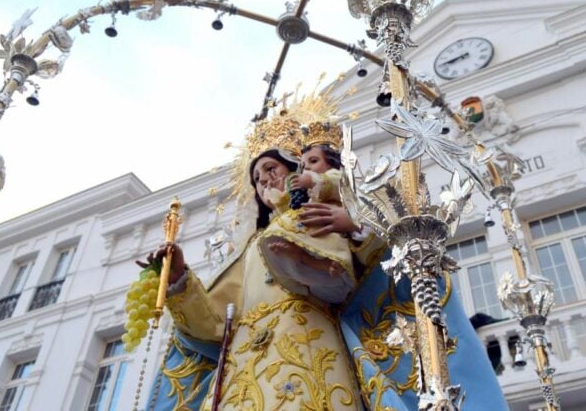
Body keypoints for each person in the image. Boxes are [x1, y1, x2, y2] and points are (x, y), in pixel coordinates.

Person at [142, 112, 508, 411]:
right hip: (243, 366)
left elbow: (383, 252)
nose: (264, 179)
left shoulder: (326, 206)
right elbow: (212, 327)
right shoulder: (249, 250)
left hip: (310, 346)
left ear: (294, 168)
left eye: (271, 168)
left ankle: (303, 265)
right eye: (256, 178)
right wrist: (178, 282)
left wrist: (352, 225)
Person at [258, 121, 356, 303]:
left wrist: (313, 181)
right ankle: (310, 261)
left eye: (313, 161)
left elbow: (339, 185)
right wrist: (278, 197)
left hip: (332, 227)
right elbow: (291, 208)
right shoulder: (306, 191)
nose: (307, 168)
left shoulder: (335, 176)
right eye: (303, 166)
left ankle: (329, 264)